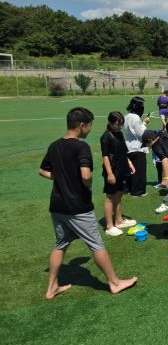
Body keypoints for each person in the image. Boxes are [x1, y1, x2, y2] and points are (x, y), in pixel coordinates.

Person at [39, 107, 137, 299]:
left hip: (57, 206)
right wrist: (87, 183)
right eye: (90, 125)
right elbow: (85, 176)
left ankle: (51, 288)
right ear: (82, 125)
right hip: (78, 206)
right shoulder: (81, 147)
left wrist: (62, 178)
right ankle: (115, 283)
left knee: (60, 244)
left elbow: (42, 171)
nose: (90, 129)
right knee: (96, 244)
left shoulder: (54, 145)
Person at [100, 112, 137, 236]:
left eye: (121, 124)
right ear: (110, 123)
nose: (120, 126)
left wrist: (129, 163)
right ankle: (109, 226)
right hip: (112, 170)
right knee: (110, 197)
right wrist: (110, 174)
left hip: (122, 168)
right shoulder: (106, 137)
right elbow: (105, 156)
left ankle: (119, 221)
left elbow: (123, 152)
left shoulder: (119, 134)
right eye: (118, 124)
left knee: (119, 194)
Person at [124, 96, 149, 197]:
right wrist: (144, 123)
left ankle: (130, 188)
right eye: (141, 105)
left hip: (129, 146)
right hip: (138, 147)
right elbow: (141, 133)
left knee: (132, 170)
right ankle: (138, 191)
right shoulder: (135, 117)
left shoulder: (127, 116)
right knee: (139, 171)